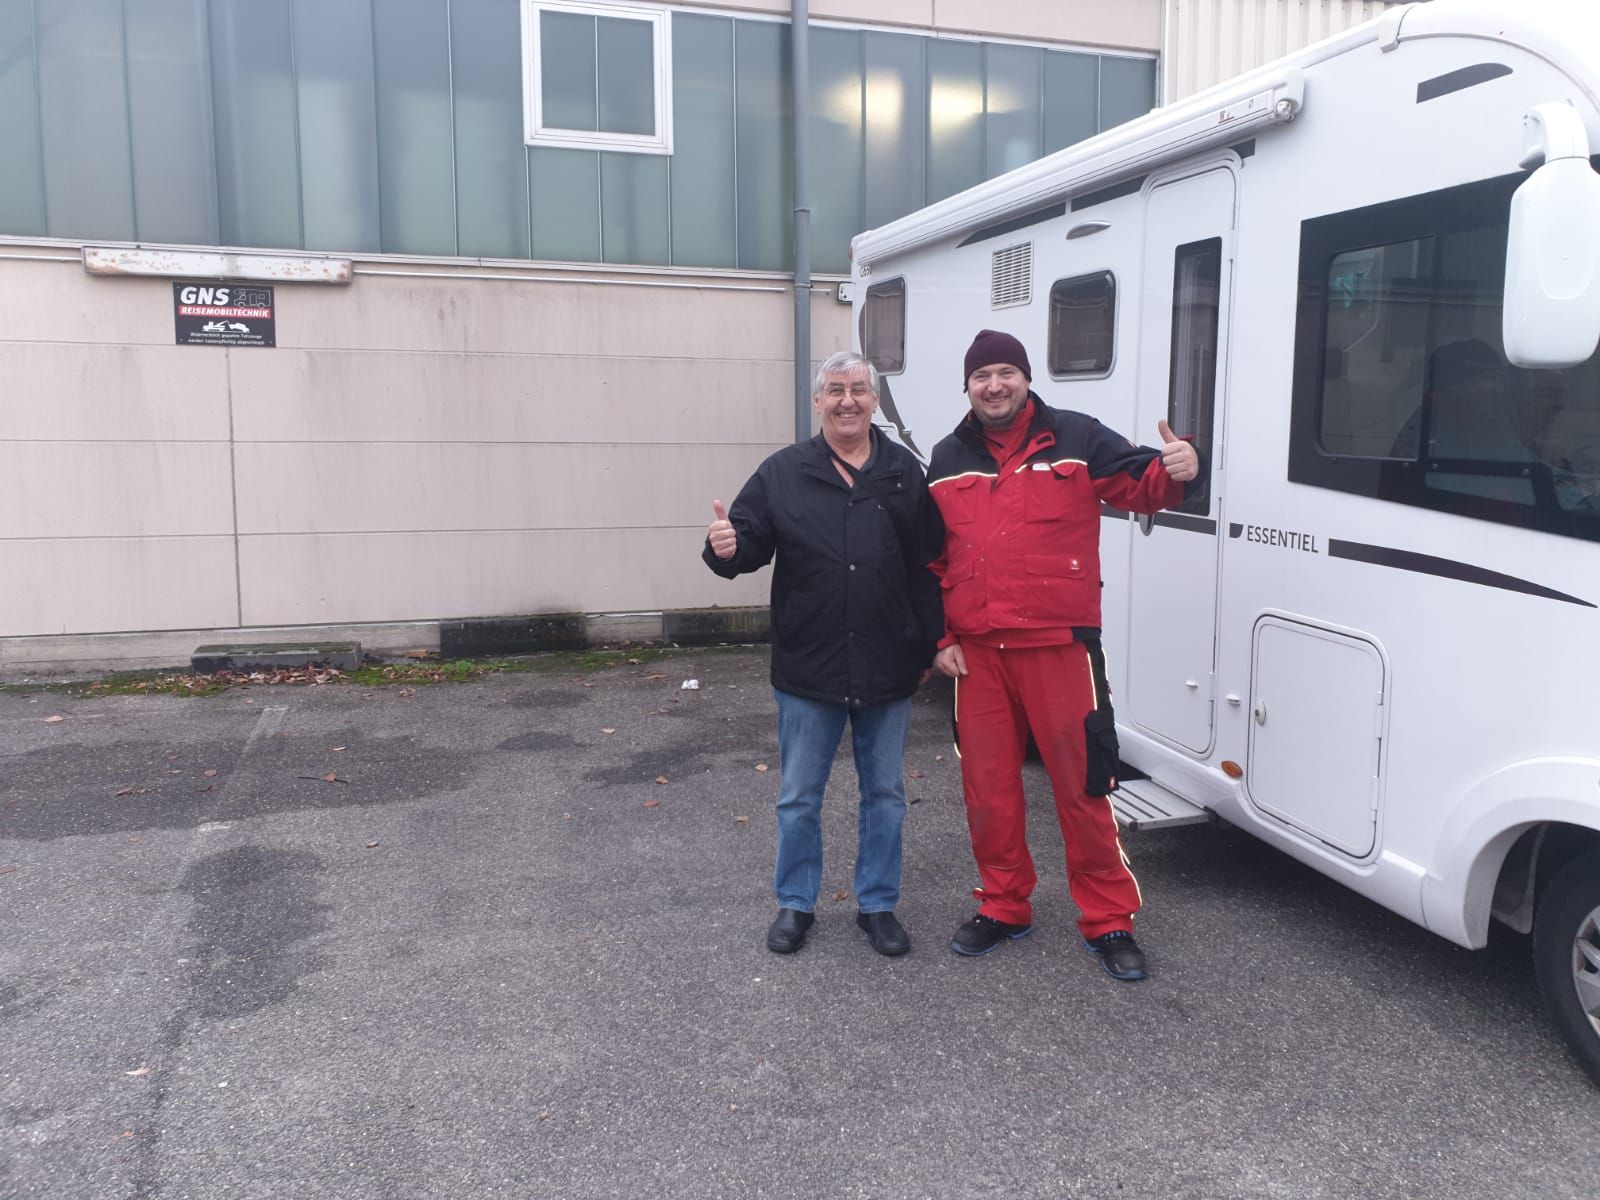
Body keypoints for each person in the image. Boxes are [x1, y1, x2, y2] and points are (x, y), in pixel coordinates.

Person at [927, 329, 1199, 981]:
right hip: (978, 658)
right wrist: (940, 640)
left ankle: (1108, 919)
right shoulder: (945, 457)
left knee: (1084, 787)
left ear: (1025, 378)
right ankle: (1003, 905)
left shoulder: (1077, 439)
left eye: (1005, 372)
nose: (994, 385)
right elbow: (929, 559)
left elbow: (1143, 486)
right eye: (981, 376)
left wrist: (1179, 469)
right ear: (967, 387)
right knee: (988, 792)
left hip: (1061, 651)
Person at [703, 350, 944, 956]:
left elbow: (927, 566)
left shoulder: (903, 473)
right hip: (809, 665)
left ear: (874, 401)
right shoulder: (783, 472)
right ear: (817, 402)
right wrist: (727, 547)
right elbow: (748, 544)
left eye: (859, 390)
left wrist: (933, 641)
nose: (847, 401)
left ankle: (878, 904)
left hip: (888, 662)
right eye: (835, 390)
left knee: (885, 794)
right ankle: (795, 903)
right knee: (799, 796)